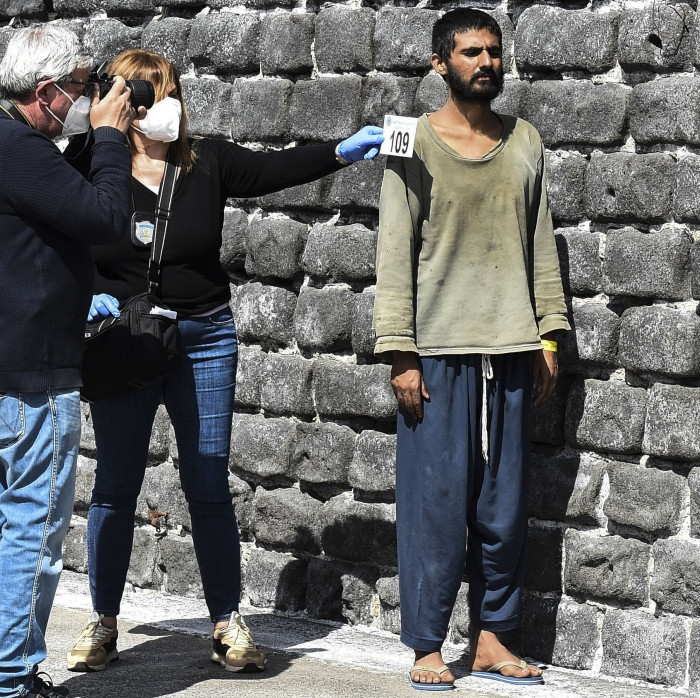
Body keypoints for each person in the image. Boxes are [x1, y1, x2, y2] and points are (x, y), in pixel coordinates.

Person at [64, 49, 383, 675]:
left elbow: (275, 169)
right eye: (139, 93)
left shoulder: (203, 159)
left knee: (207, 483)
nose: (153, 103)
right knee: (115, 486)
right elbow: (50, 231)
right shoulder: (92, 162)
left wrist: (343, 150)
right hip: (124, 338)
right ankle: (103, 621)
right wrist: (83, 293)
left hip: (203, 336)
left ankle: (226, 621)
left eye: (162, 90)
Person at [0, 24, 144, 698]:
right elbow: (108, 217)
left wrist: (91, 134)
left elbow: (46, 194)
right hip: (32, 377)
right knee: (34, 535)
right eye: (81, 91)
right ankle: (9, 682)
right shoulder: (15, 149)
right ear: (46, 93)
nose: (87, 101)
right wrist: (110, 138)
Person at [372, 8, 570, 691]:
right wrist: (399, 350)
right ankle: (428, 643)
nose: (486, 62)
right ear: (439, 64)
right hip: (437, 354)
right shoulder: (411, 141)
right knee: (437, 505)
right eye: (470, 53)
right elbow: (393, 248)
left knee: (505, 506)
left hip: (513, 346)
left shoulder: (526, 141)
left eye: (494, 52)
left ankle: (492, 639)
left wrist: (549, 333)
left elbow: (541, 245)